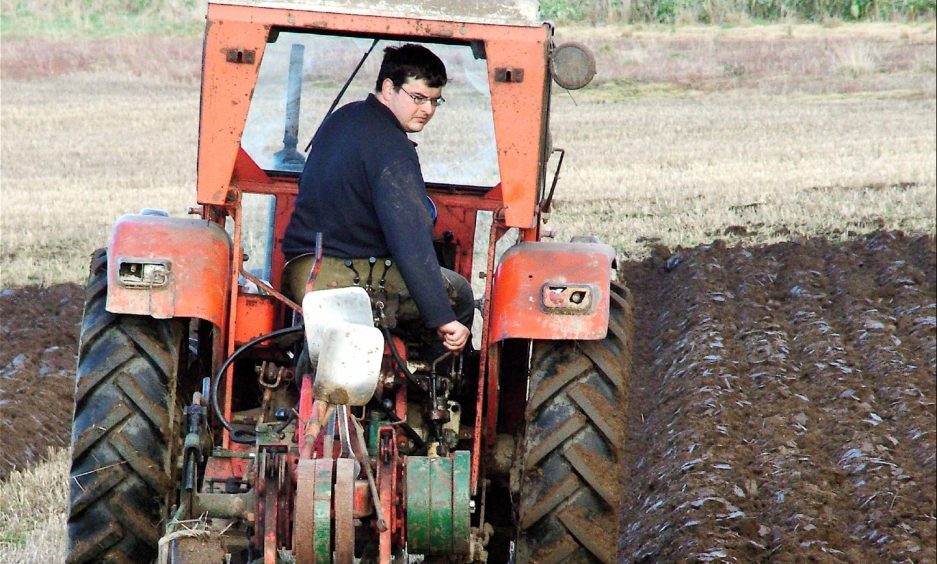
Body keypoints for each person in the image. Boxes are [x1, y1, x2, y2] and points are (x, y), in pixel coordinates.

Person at [282, 44, 472, 353]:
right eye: (418, 98)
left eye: (435, 101)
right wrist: (442, 317)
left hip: (302, 270)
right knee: (459, 293)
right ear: (388, 88)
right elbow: (410, 239)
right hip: (344, 276)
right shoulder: (392, 150)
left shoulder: (342, 119)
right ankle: (430, 391)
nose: (427, 110)